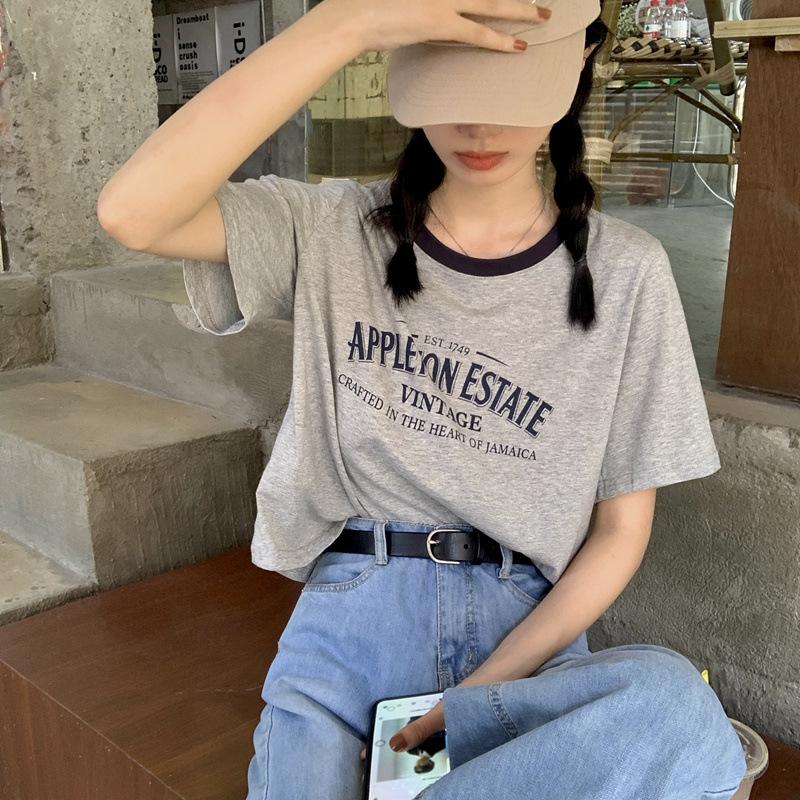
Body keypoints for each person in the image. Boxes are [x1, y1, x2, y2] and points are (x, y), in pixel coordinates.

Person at [97, 0, 748, 797]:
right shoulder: (331, 229)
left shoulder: (628, 272)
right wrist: (343, 25)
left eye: (509, 89)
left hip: (526, 630)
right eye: (450, 87)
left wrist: (477, 695)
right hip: (353, 615)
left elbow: (620, 532)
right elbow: (132, 212)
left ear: (578, 64)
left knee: (678, 712)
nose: (479, 126)